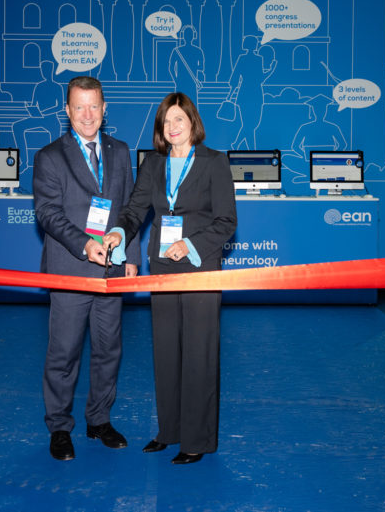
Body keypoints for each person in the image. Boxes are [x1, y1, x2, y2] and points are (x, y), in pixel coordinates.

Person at [102, 92, 237, 465]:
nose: (172, 127)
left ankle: (196, 440)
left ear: (192, 122)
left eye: (179, 119)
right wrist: (118, 232)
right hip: (161, 268)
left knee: (199, 353)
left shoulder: (214, 163)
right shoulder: (153, 165)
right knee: (166, 352)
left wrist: (191, 245)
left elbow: (227, 221)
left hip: (200, 268)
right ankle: (169, 431)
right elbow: (134, 211)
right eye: (166, 122)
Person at [32, 75, 140, 461]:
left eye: (94, 106)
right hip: (70, 268)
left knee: (109, 350)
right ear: (67, 110)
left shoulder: (121, 151)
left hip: (112, 272)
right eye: (79, 107)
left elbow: (130, 209)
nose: (88, 114)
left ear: (105, 107)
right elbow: (47, 213)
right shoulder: (49, 156)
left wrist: (131, 256)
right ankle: (60, 426)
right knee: (63, 353)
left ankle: (99, 420)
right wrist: (84, 243)